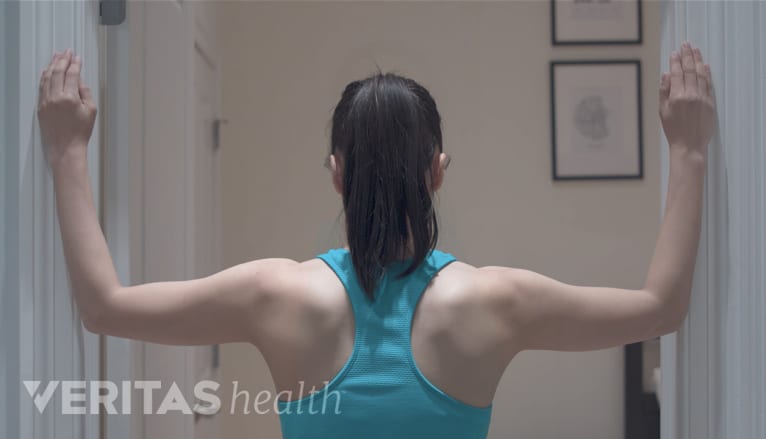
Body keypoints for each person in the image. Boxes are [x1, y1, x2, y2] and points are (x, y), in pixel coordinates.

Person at [37, 41, 714, 439]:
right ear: (437, 169)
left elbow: (104, 305)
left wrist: (69, 152)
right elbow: (661, 306)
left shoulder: (276, 293)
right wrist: (688, 152)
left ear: (337, 174)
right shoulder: (494, 299)